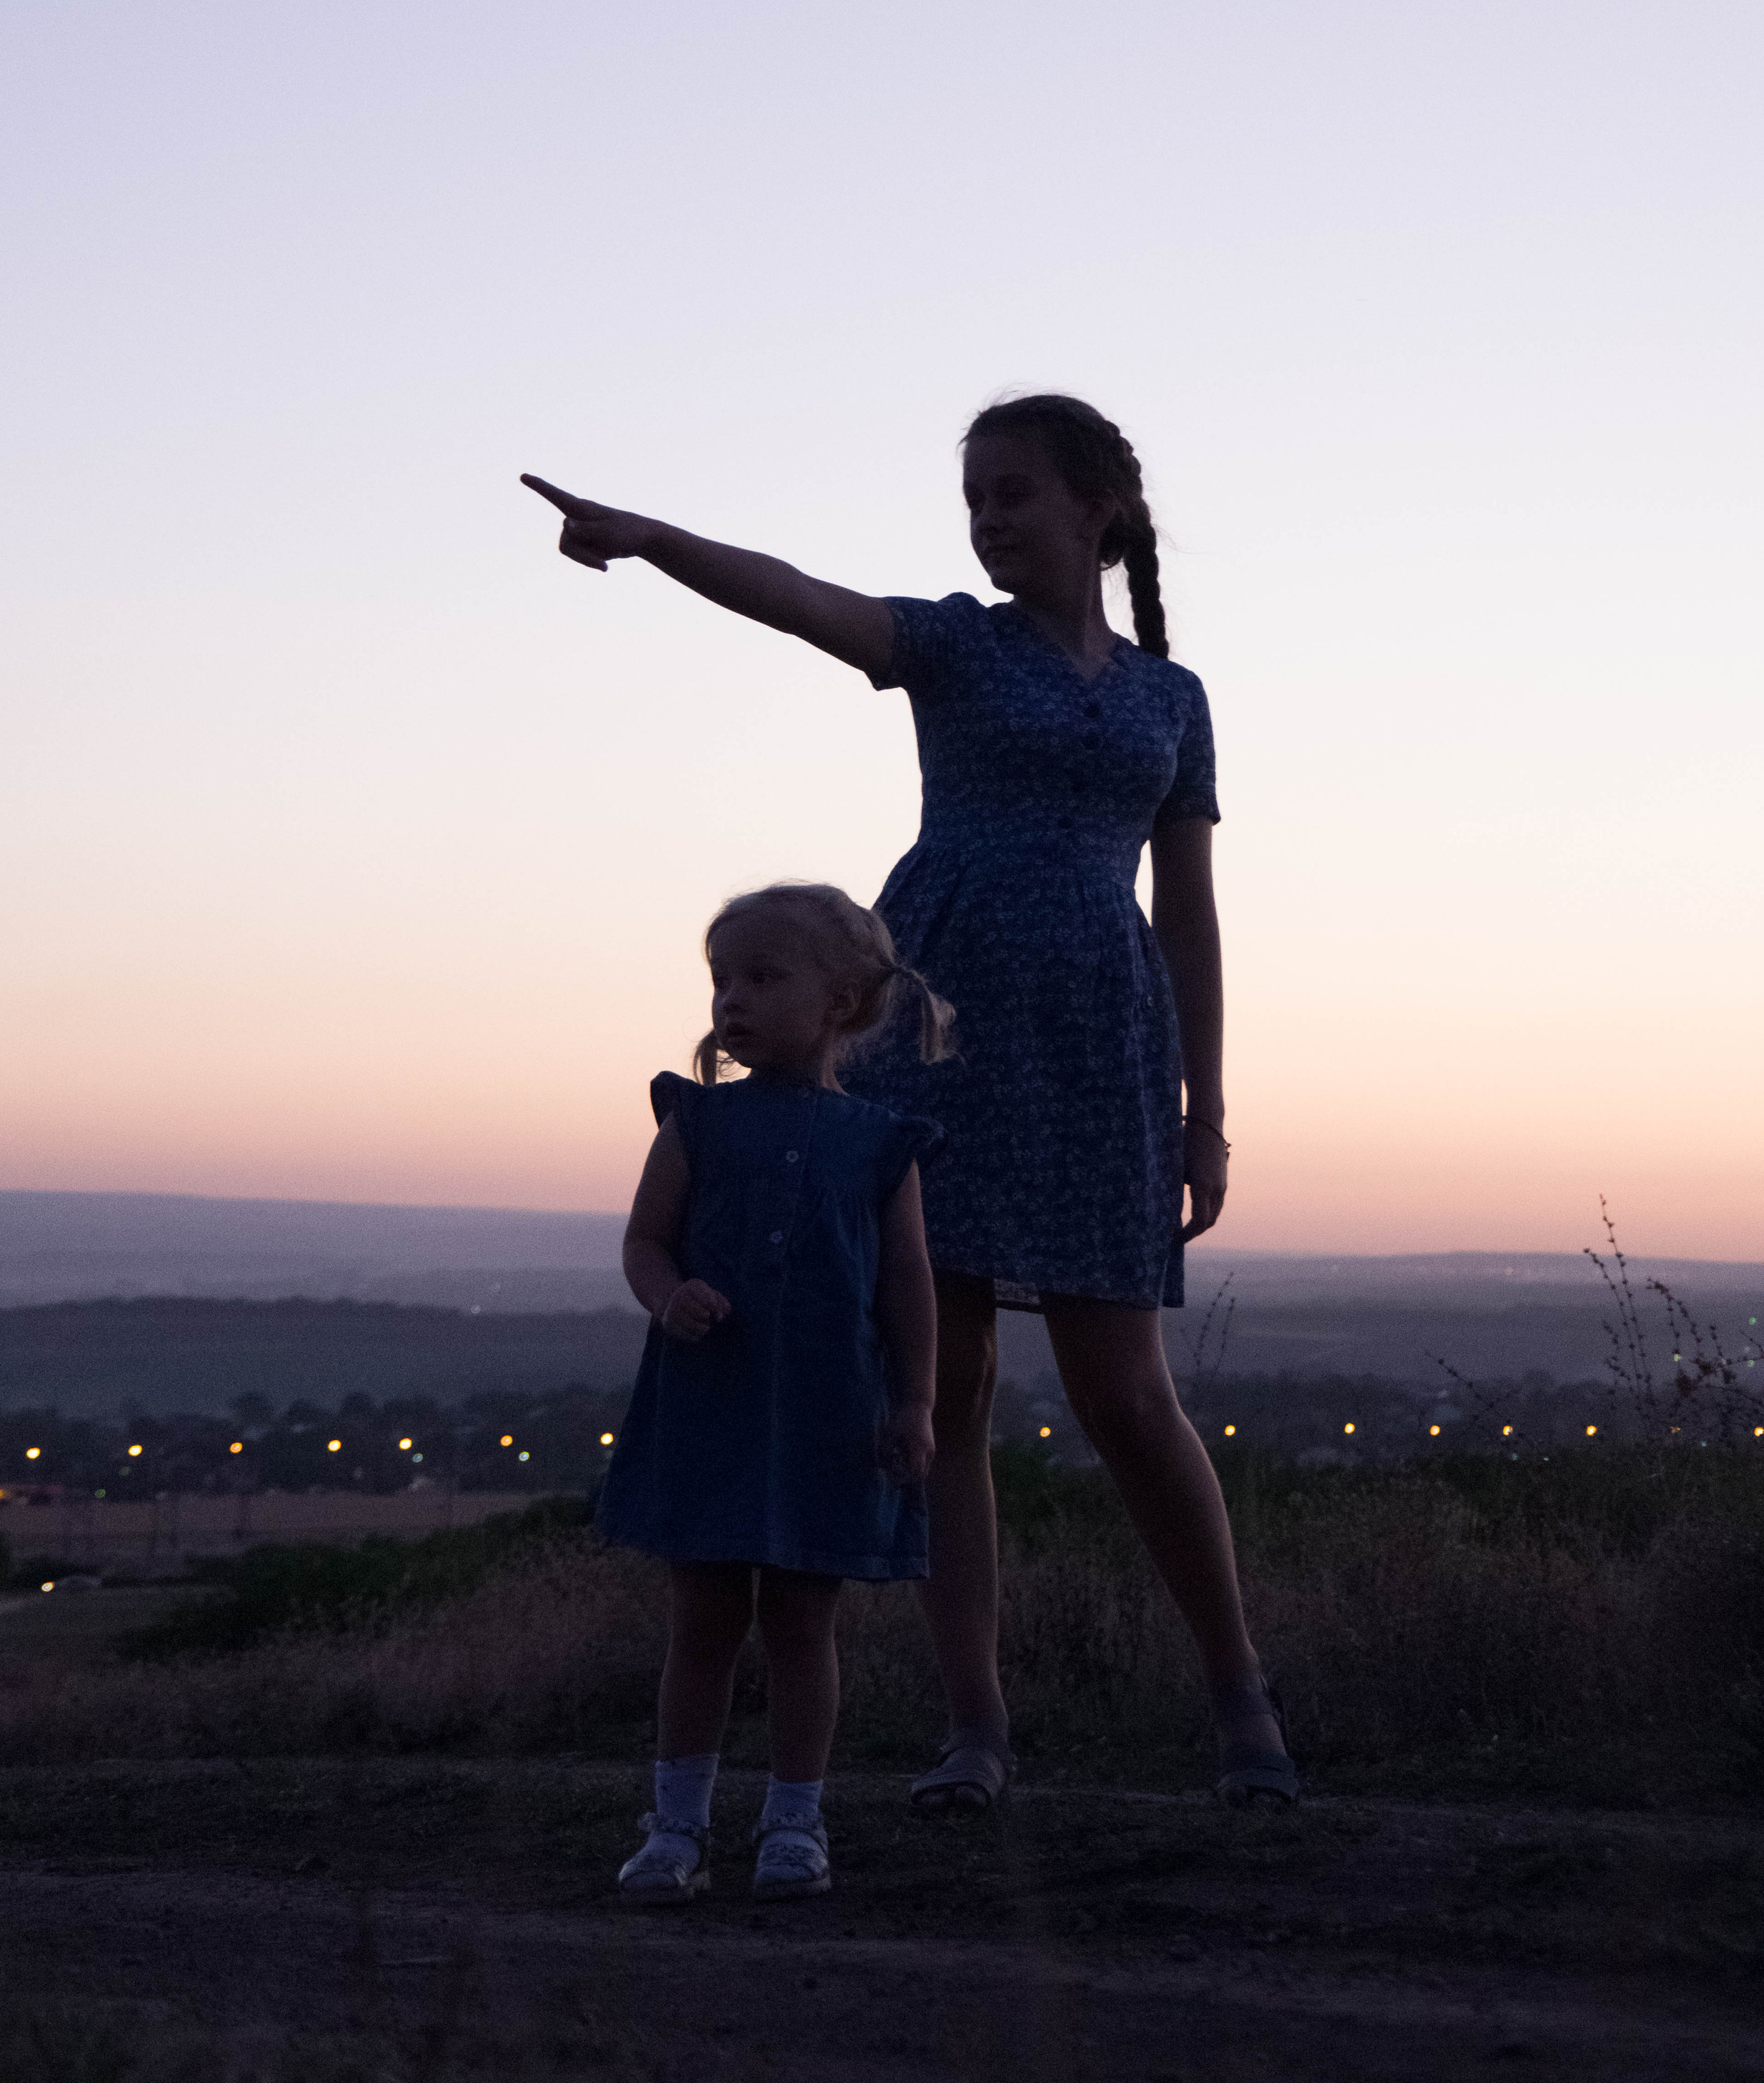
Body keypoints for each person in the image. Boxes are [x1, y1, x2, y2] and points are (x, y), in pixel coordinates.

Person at [524, 391, 1299, 1814]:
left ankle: (1238, 1692)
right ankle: (974, 1728)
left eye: (1012, 494)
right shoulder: (950, 644)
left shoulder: (1168, 701)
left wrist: (1206, 1105)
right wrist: (648, 540)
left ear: (1095, 507)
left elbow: (1187, 916)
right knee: (938, 1386)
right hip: (933, 1038)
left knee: (1125, 1395)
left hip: (1099, 1048)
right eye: (973, 499)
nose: (987, 521)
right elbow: (801, 598)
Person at [597, 881, 948, 1904]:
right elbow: (644, 1241)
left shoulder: (884, 1143)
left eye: (762, 977)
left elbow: (908, 1287)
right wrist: (669, 1299)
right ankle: (677, 1825)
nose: (731, 1002)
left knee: (803, 1622)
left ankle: (796, 1821)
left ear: (840, 999)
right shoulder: (696, 1121)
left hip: (829, 1416)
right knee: (701, 1620)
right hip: (709, 1407)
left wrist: (916, 1403)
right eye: (721, 982)